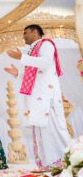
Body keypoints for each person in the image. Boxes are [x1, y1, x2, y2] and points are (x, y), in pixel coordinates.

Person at [4, 24, 71, 170]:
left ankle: (66, 162)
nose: (24, 36)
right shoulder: (33, 48)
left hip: (47, 96)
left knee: (52, 128)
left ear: (35, 32)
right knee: (41, 129)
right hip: (38, 97)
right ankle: (48, 164)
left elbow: (45, 64)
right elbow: (33, 75)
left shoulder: (46, 44)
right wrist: (17, 73)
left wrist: (21, 57)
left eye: (26, 32)